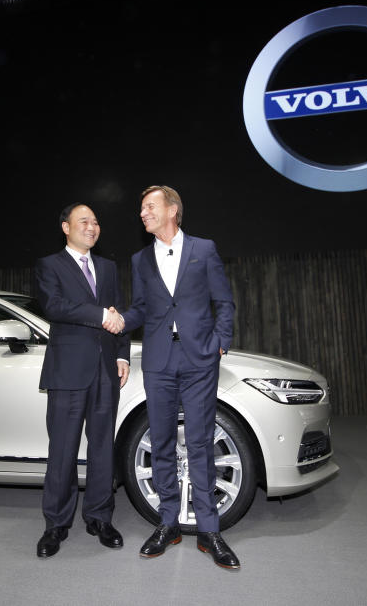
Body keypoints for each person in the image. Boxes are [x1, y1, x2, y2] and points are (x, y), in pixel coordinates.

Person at [105, 185, 240, 570]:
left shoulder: (203, 249)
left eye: (149, 206)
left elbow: (224, 301)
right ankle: (168, 522)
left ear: (172, 210)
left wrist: (221, 342)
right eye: (141, 208)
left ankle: (210, 530)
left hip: (199, 360)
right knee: (161, 440)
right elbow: (143, 309)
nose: (142, 213)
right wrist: (118, 320)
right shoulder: (140, 259)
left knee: (199, 441)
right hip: (160, 360)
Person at [34, 202, 130, 558]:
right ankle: (56, 524)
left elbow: (117, 311)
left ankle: (100, 517)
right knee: (62, 451)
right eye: (83, 221)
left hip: (106, 370)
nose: (92, 227)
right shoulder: (50, 265)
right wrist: (100, 314)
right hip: (68, 371)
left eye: (95, 222)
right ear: (65, 227)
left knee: (103, 447)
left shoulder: (106, 267)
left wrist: (122, 353)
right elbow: (54, 306)